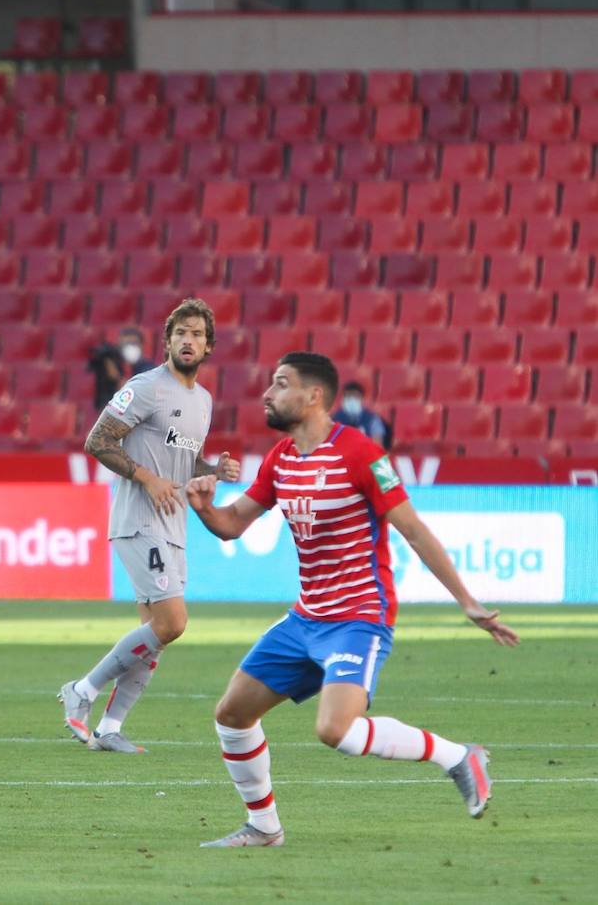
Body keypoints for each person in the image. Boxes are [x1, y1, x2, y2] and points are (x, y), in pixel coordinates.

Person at [185, 352, 518, 847]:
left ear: (313, 396)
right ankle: (264, 827)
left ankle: (458, 756)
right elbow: (233, 525)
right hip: (305, 619)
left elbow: (414, 531)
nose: (267, 394)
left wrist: (466, 601)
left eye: (281, 384)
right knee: (232, 715)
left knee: (335, 730)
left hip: (358, 618)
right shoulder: (280, 460)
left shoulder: (361, 453)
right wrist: (204, 508)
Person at [58, 299, 240, 753]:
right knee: (173, 622)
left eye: (197, 334)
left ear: (209, 346)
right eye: (181, 332)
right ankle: (82, 690)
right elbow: (98, 440)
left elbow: (181, 456)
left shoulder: (203, 401)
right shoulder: (145, 387)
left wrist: (212, 468)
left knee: (153, 637)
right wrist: (146, 477)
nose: (188, 340)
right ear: (167, 340)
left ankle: (109, 728)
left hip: (174, 526)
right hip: (139, 520)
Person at [86, 327, 155, 411]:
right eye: (125, 344)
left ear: (142, 345)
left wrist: (116, 377)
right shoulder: (117, 365)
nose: (130, 347)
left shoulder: (149, 369)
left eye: (133, 343)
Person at [331, 380, 389, 449]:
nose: (351, 400)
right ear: (343, 399)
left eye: (355, 396)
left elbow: (377, 446)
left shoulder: (372, 419)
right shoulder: (334, 419)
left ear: (361, 399)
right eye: (348, 396)